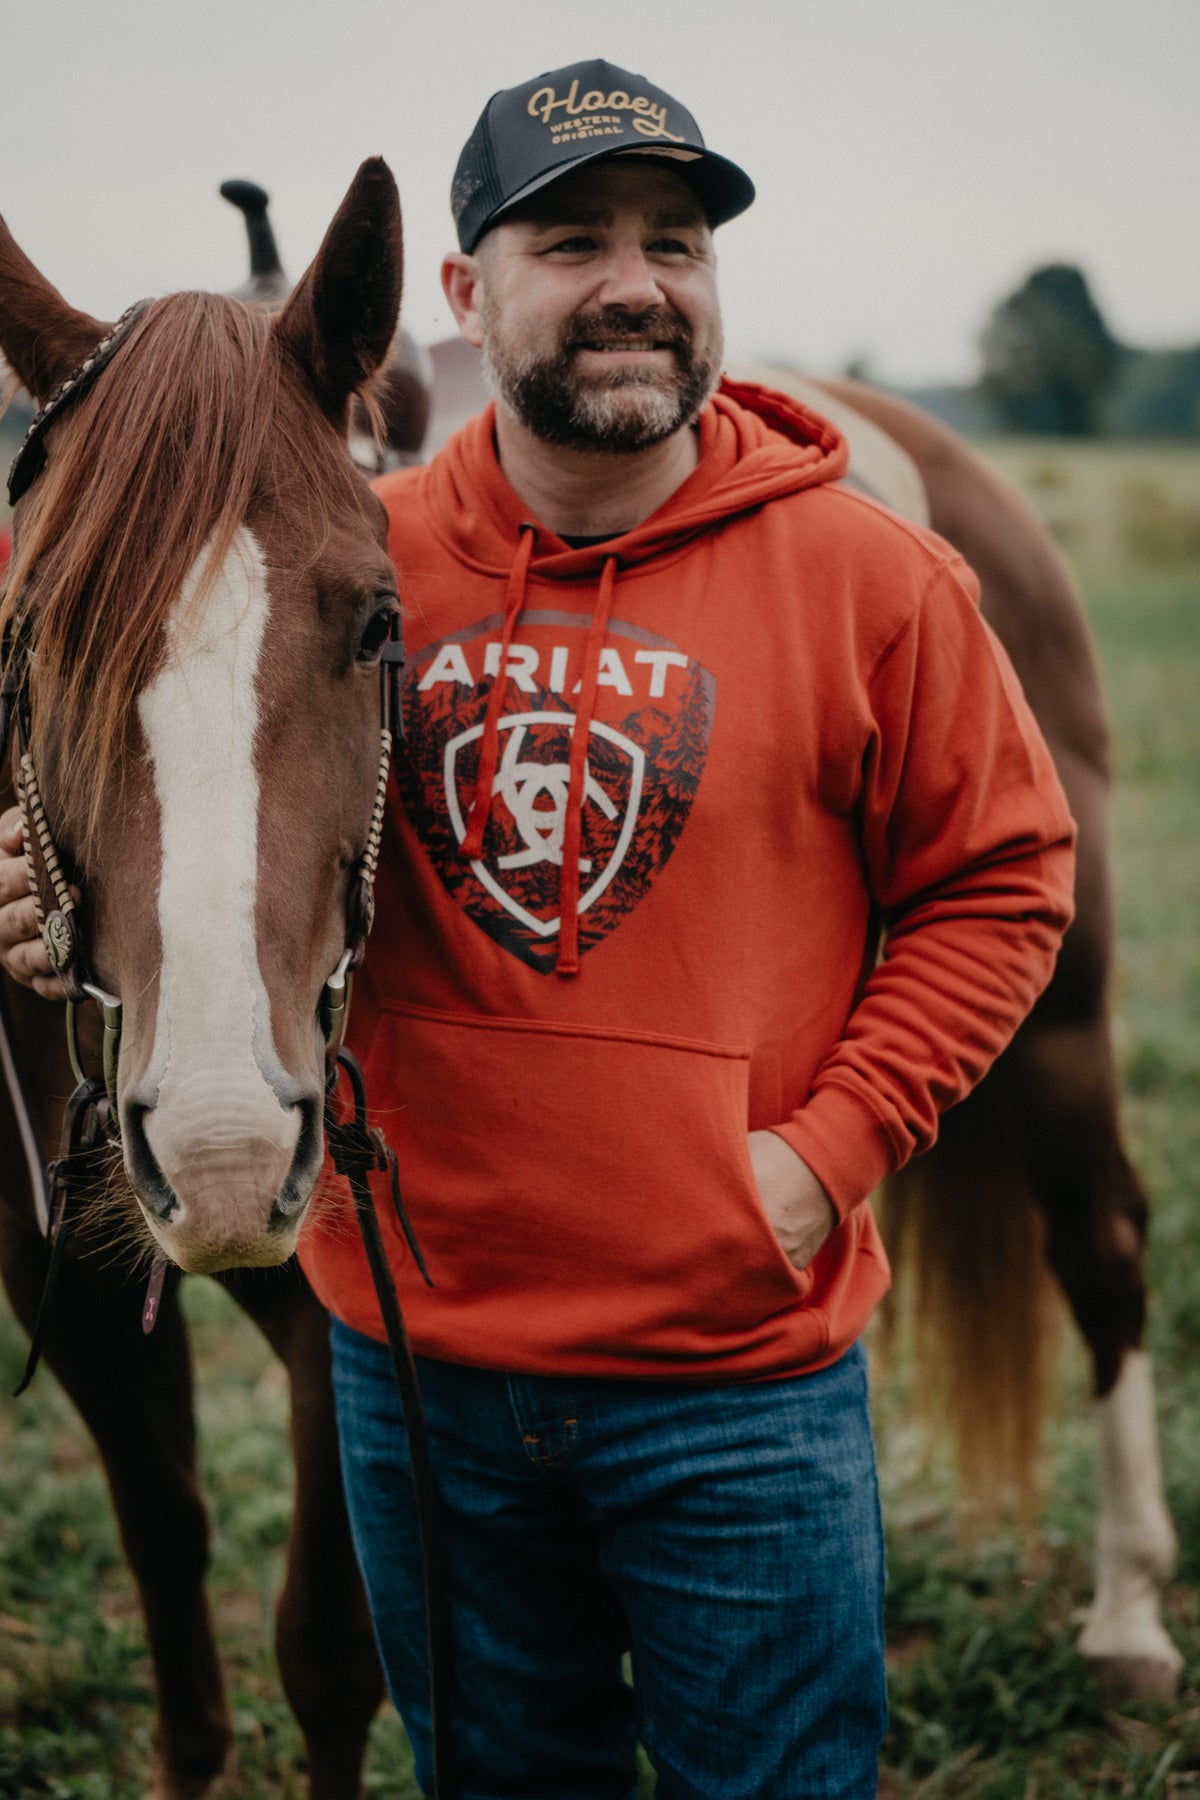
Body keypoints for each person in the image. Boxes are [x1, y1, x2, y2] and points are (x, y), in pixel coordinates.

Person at [0, 60, 1076, 1799]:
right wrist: (49, 886)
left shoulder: (879, 581)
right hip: (421, 1378)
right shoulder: (340, 558)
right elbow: (182, 749)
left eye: (678, 242)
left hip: (735, 1384)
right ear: (454, 298)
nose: (637, 280)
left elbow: (1003, 880)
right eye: (572, 239)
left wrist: (819, 1157)